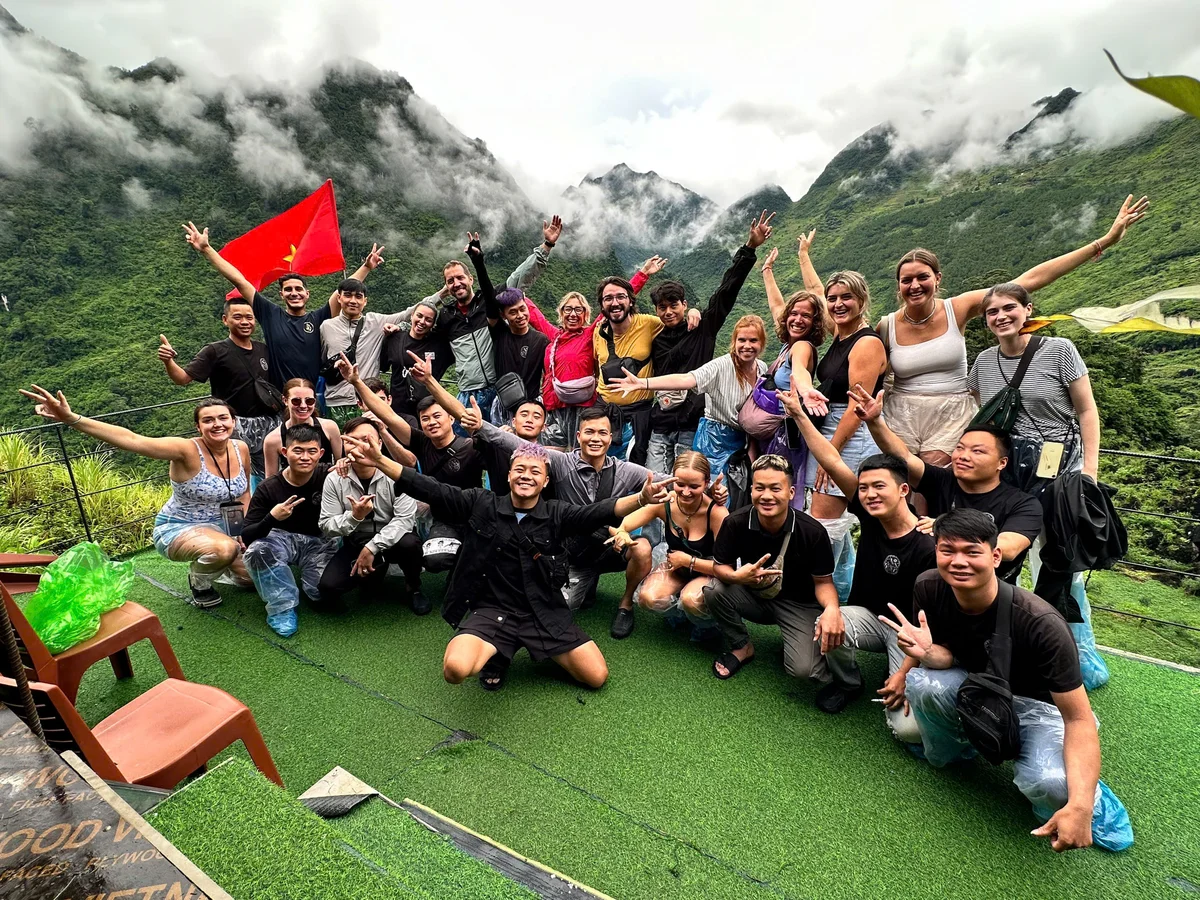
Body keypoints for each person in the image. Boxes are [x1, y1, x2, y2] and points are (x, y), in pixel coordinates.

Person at [881, 509, 1133, 852]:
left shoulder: (1041, 623)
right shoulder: (929, 586)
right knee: (924, 682)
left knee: (1052, 784)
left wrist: (1081, 804)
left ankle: (1089, 801)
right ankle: (955, 752)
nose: (958, 562)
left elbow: (1078, 719)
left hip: (1039, 708)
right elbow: (948, 658)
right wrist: (924, 654)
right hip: (980, 687)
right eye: (947, 550)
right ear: (936, 551)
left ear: (995, 556)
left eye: (972, 552)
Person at [351, 438, 673, 689]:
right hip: (492, 611)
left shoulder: (557, 513)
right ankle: (499, 652)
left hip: (543, 611)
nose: (526, 476)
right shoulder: (481, 502)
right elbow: (433, 490)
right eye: (520, 469)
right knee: (455, 670)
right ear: (508, 475)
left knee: (596, 677)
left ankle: (527, 648)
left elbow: (599, 511)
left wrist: (641, 499)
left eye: (535, 472)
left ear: (545, 481)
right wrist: (380, 460)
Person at [883, 195, 1148, 468]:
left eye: (923, 277)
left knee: (936, 481)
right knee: (897, 477)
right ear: (898, 285)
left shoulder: (957, 309)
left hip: (953, 419)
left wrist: (1103, 241)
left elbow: (1028, 281)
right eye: (907, 280)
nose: (915, 285)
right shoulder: (888, 326)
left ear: (937, 279)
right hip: (902, 416)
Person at [968, 282, 1110, 688]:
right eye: (992, 312)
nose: (1001, 317)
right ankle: (1007, 646)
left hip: (1061, 471)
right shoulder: (983, 362)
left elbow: (1087, 411)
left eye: (1009, 308)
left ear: (1027, 310)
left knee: (1060, 562)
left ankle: (1073, 655)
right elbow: (984, 412)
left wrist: (1089, 472)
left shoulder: (1059, 350)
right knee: (1004, 558)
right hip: (1009, 474)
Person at [778, 387, 934, 732]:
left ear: (903, 490)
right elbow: (832, 461)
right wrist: (799, 414)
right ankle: (848, 683)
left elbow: (930, 627)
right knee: (828, 621)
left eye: (879, 487)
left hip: (910, 633)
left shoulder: (928, 544)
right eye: (864, 488)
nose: (869, 494)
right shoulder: (871, 517)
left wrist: (903, 673)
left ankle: (899, 674)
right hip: (869, 617)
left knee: (907, 729)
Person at [20, 387, 251, 607]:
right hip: (182, 526)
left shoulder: (240, 448)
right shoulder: (187, 450)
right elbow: (133, 440)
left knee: (248, 579)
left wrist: (245, 530)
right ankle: (200, 581)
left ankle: (222, 560)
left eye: (223, 418)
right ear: (198, 427)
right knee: (223, 550)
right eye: (208, 420)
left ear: (233, 421)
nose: (217, 424)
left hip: (225, 526)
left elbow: (244, 493)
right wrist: (71, 418)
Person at [705, 454, 862, 714]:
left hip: (799, 604)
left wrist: (832, 609)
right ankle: (742, 646)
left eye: (775, 488)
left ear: (791, 492)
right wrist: (737, 577)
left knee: (803, 670)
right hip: (754, 595)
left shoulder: (812, 532)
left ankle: (800, 645)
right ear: (751, 490)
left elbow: (823, 582)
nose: (767, 496)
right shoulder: (735, 522)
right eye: (760, 488)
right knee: (714, 590)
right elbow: (720, 567)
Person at [852, 384, 1044, 585]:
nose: (963, 456)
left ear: (1001, 463)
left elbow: (1009, 548)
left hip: (988, 591)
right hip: (936, 586)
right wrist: (875, 421)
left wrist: (946, 529)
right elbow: (904, 457)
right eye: (959, 448)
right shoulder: (942, 480)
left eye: (977, 451)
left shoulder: (1023, 504)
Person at [641, 213, 772, 475]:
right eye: (662, 307)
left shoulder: (702, 329)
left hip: (692, 423)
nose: (668, 312)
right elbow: (619, 316)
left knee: (687, 481)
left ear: (684, 304)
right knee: (655, 481)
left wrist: (749, 248)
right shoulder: (653, 334)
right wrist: (642, 275)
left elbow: (726, 292)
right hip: (661, 423)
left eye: (674, 305)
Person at [181, 221, 382, 388]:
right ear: (281, 294)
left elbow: (343, 292)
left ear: (307, 294)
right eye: (288, 289)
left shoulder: (318, 318)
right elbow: (240, 281)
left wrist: (366, 267)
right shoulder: (270, 314)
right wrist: (207, 249)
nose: (294, 293)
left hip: (310, 398)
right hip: (279, 397)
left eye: (298, 289)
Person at [336, 355, 483, 575]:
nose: (431, 422)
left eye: (437, 416)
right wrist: (356, 382)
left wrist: (429, 380)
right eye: (425, 419)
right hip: (445, 519)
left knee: (482, 559)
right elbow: (387, 414)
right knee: (434, 560)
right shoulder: (422, 442)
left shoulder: (471, 447)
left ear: (451, 418)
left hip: (474, 515)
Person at [404, 218, 563, 422]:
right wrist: (400, 327)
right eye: (450, 281)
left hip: (498, 390)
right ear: (446, 287)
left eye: (460, 278)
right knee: (467, 439)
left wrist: (546, 246)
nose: (456, 283)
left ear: (470, 279)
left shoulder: (489, 301)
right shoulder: (446, 316)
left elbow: (520, 277)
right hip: (467, 393)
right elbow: (422, 325)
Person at [528, 258, 668, 449]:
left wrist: (643, 274)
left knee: (583, 455)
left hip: (585, 407)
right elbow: (535, 316)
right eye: (568, 309)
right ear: (561, 313)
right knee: (552, 459)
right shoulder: (555, 337)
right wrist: (516, 290)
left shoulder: (591, 333)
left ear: (586, 314)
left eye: (578, 310)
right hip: (555, 408)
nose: (573, 314)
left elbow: (616, 305)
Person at [609, 315, 770, 482]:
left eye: (753, 340)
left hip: (742, 441)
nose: (747, 346)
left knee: (740, 490)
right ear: (734, 341)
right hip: (714, 440)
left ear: (762, 343)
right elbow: (686, 379)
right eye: (742, 340)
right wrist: (643, 383)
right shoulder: (722, 366)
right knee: (713, 489)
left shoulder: (761, 368)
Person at [157, 296, 280, 482]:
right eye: (237, 317)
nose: (245, 322)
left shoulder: (263, 349)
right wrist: (168, 361)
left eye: (249, 317)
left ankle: (260, 501)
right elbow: (182, 379)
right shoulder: (215, 351)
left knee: (268, 476)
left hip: (266, 423)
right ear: (225, 320)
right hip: (232, 424)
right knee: (233, 475)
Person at [608, 452, 728, 640]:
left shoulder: (717, 512)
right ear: (673, 480)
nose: (686, 492)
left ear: (706, 483)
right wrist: (621, 533)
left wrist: (689, 561)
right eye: (681, 484)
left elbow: (727, 568)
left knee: (691, 600)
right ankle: (682, 614)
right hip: (677, 568)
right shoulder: (667, 502)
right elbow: (624, 525)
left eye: (694, 486)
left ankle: (711, 622)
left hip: (710, 572)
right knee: (648, 598)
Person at [318, 417, 425, 614]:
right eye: (351, 440)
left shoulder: (398, 474)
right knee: (328, 587)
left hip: (395, 540)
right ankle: (375, 571)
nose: (359, 446)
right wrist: (354, 516)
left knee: (410, 544)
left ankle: (413, 586)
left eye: (366, 440)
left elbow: (405, 520)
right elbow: (326, 525)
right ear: (344, 444)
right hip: (357, 540)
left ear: (379, 444)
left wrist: (372, 547)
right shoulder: (334, 479)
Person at [242, 424, 340, 636]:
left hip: (319, 541)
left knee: (322, 593)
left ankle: (309, 585)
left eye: (311, 451)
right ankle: (282, 608)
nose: (305, 457)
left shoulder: (330, 475)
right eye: (298, 451)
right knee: (258, 551)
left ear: (321, 453)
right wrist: (271, 518)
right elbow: (247, 535)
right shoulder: (269, 487)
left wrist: (346, 465)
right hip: (280, 540)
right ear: (285, 452)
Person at [761, 241, 830, 505]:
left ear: (815, 323)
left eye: (806, 316)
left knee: (782, 493)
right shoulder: (787, 343)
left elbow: (799, 371)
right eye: (794, 313)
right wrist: (767, 271)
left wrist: (806, 390)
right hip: (775, 431)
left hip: (789, 433)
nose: (798, 319)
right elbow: (776, 306)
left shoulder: (801, 346)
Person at [469, 238, 551, 422]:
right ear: (503, 315)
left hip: (531, 408)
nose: (520, 315)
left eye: (522, 309)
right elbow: (490, 299)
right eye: (513, 312)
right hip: (503, 407)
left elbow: (549, 376)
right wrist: (479, 263)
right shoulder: (500, 333)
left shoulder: (541, 340)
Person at [320, 277, 410, 425]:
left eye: (358, 296)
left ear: (365, 301)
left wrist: (444, 292)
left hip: (368, 400)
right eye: (347, 295)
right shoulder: (326, 327)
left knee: (370, 438)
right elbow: (324, 359)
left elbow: (410, 314)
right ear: (339, 298)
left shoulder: (376, 322)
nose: (353, 301)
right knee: (339, 439)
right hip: (336, 401)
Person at [379, 298, 451, 419]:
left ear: (433, 324)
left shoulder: (439, 344)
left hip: (428, 409)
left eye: (428, 320)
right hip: (398, 409)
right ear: (412, 316)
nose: (422, 322)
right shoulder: (394, 338)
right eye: (419, 316)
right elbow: (383, 366)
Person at [261, 378, 342, 478]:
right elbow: (270, 480)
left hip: (327, 485)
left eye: (309, 401)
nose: (303, 405)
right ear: (285, 400)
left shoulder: (329, 427)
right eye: (296, 401)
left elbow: (341, 464)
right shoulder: (273, 439)